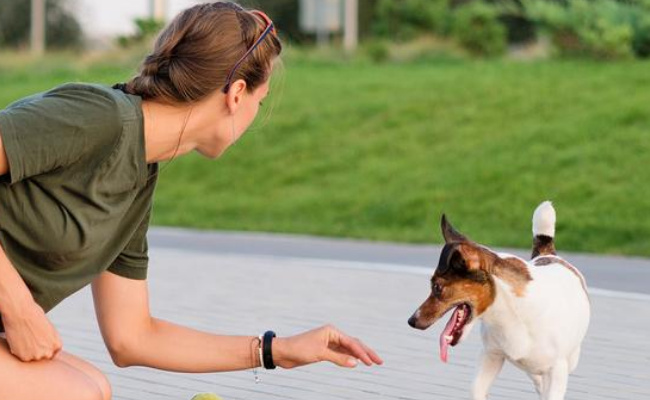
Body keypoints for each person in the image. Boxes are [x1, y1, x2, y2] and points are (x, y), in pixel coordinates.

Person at [0, 2, 383, 399]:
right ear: (236, 94)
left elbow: (131, 337)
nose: (256, 113)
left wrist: (275, 350)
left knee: (94, 385)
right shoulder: (100, 118)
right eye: (260, 101)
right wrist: (17, 306)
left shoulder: (137, 178)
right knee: (75, 392)